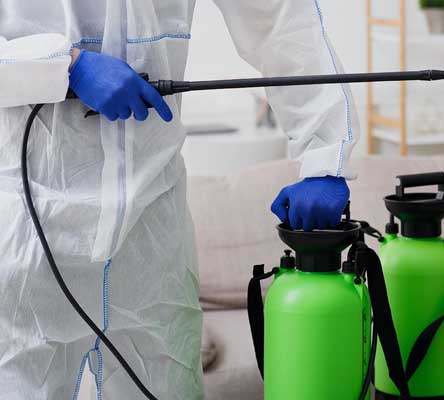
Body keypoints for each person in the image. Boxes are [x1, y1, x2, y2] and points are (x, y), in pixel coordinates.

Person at [0, 1, 358, 399]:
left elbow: (280, 20)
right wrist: (64, 65)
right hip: (28, 231)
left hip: (152, 232)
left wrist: (324, 156)